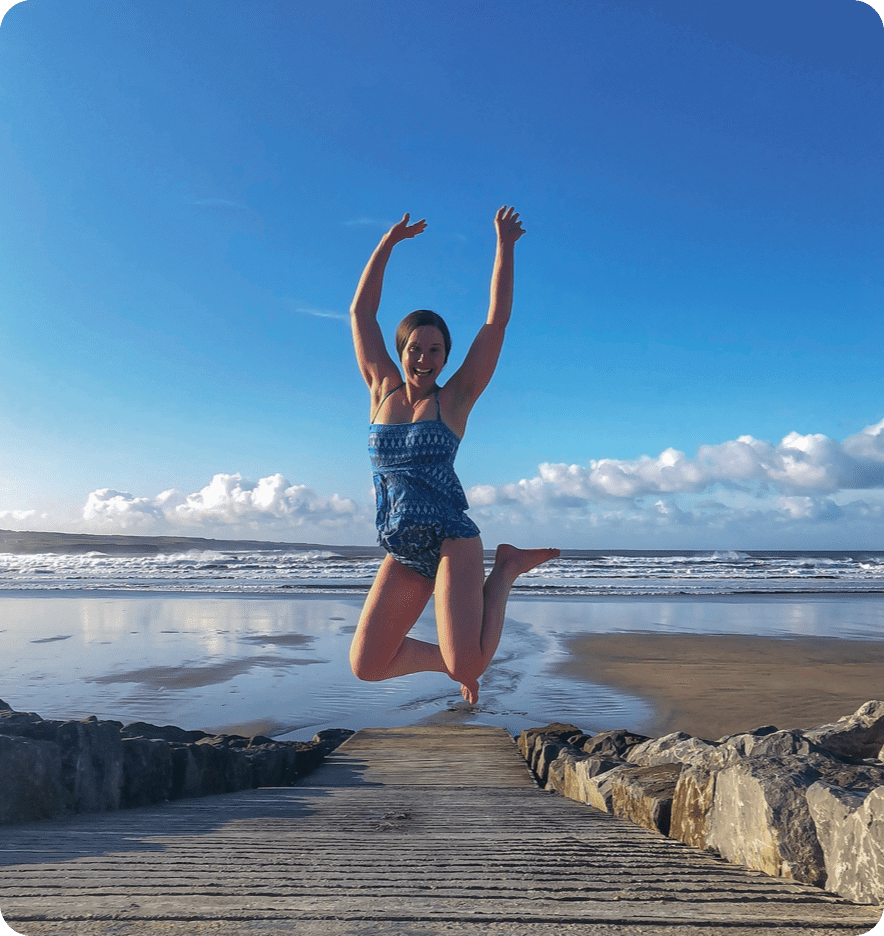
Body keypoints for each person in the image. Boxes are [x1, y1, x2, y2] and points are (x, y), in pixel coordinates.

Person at [348, 206, 559, 705]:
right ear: (400, 351)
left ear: (446, 356)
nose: (424, 359)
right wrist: (388, 242)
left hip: (450, 538)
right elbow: (361, 313)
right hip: (401, 544)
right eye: (416, 349)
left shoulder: (456, 398)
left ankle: (504, 569)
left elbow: (495, 323)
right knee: (367, 665)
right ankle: (451, 660)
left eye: (436, 350)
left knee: (473, 661)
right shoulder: (380, 388)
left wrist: (504, 247)